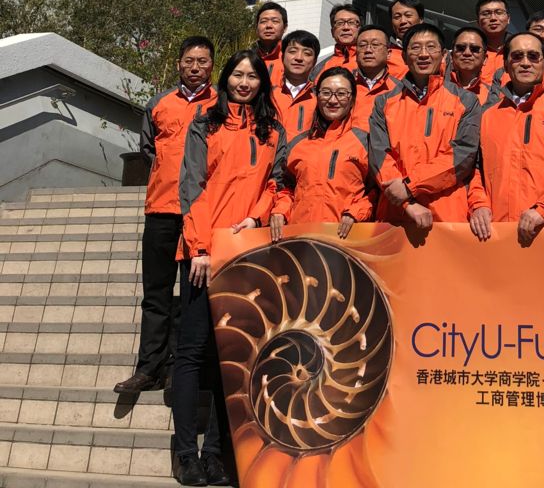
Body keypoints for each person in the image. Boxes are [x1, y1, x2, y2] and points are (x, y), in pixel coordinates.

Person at [174, 50, 287, 486]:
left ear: (262, 83)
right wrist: (200, 247)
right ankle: (187, 453)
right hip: (203, 254)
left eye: (252, 76)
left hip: (247, 254)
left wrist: (256, 218)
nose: (244, 82)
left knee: (235, 357)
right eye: (237, 75)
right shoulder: (205, 123)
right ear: (225, 80)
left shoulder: (272, 129)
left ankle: (217, 453)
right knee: (192, 352)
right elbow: (193, 186)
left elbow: (277, 183)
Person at [114, 38, 217, 395]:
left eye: (202, 61)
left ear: (211, 65)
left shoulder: (221, 105)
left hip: (198, 214)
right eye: (189, 60)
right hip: (160, 209)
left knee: (192, 296)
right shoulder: (159, 103)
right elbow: (148, 149)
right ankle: (149, 367)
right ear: (178, 64)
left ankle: (180, 368)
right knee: (155, 293)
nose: (195, 67)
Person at [468, 33, 544, 244]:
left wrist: (542, 210)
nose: (525, 63)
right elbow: (474, 167)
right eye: (517, 56)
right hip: (494, 232)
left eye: (533, 56)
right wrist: (479, 205)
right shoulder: (486, 115)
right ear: (506, 65)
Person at [368, 22, 481, 231]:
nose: (423, 54)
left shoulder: (466, 100)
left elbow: (462, 156)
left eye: (431, 47)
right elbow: (379, 156)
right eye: (415, 48)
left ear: (444, 55)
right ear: (404, 57)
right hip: (395, 214)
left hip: (447, 216)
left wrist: (410, 186)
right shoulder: (384, 102)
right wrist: (406, 203)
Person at [271, 68, 373, 240]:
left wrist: (357, 211)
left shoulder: (364, 142)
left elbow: (375, 191)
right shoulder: (298, 144)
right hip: (300, 236)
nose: (332, 100)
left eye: (341, 94)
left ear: (352, 99)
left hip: (346, 239)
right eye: (326, 93)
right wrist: (280, 210)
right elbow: (285, 188)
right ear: (317, 96)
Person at [272, 29, 319, 141]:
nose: (299, 58)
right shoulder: (266, 94)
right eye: (292, 51)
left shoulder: (320, 98)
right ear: (282, 57)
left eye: (307, 53)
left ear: (314, 61)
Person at [352, 25, 402, 127]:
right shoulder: (345, 85)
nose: (368, 50)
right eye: (362, 45)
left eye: (375, 45)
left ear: (388, 53)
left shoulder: (399, 90)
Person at [476, 0, 513, 81]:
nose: (493, 18)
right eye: (486, 14)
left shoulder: (521, 49)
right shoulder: (468, 52)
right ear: (478, 21)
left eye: (499, 12)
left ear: (508, 18)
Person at [447, 25, 489, 102]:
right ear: (451, 56)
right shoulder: (437, 88)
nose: (467, 53)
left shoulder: (492, 96)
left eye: (475, 49)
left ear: (485, 59)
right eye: (460, 48)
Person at [318, 2, 362, 73]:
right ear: (332, 32)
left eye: (351, 22)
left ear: (360, 29)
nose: (346, 27)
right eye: (340, 23)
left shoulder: (372, 61)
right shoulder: (319, 67)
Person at [387, 0, 423, 77]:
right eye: (397, 17)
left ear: (420, 20)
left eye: (408, 15)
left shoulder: (438, 52)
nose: (403, 21)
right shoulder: (383, 51)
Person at [254, 1, 287, 88]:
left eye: (275, 21)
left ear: (285, 27)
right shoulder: (246, 59)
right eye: (263, 21)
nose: (268, 25)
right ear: (256, 27)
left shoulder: (292, 60)